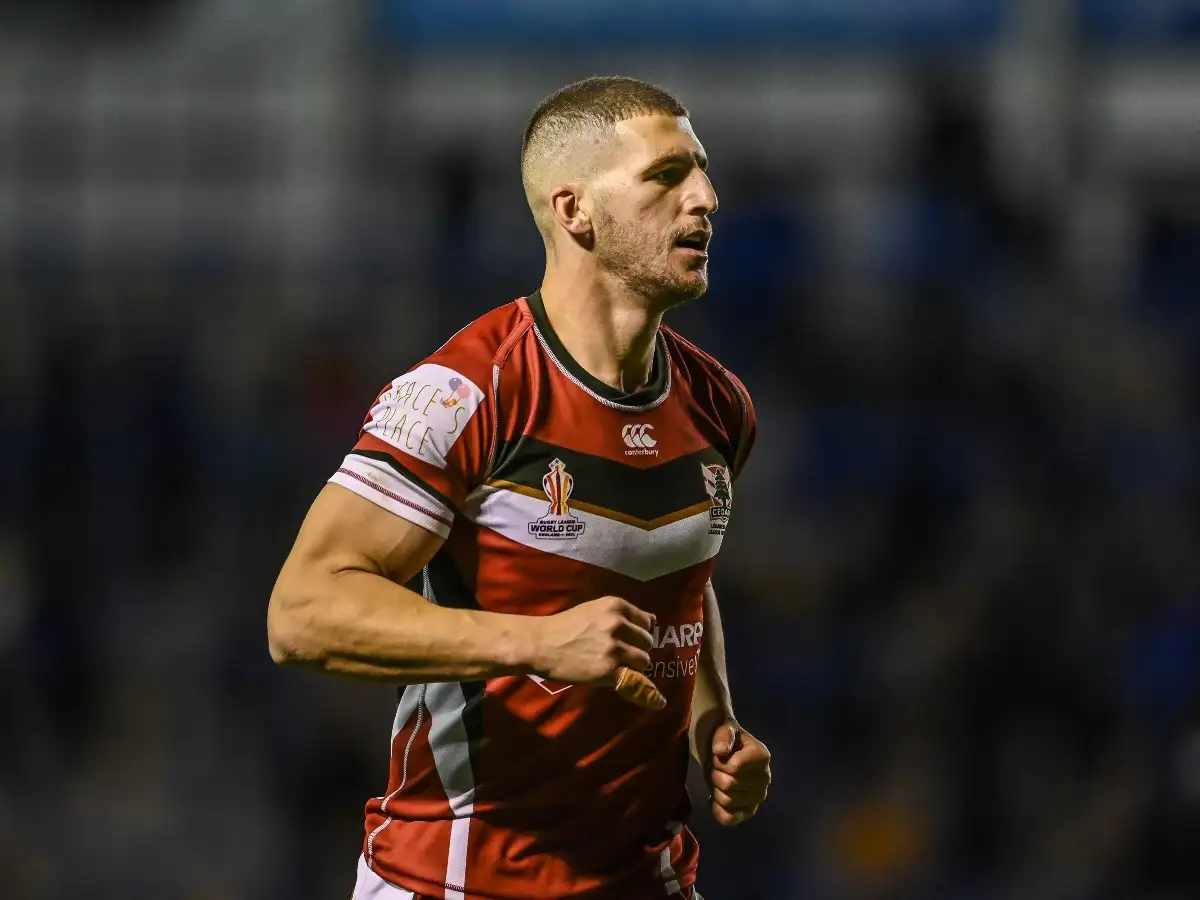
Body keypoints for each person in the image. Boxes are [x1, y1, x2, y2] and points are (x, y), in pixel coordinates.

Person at [268, 76, 772, 900]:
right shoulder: (468, 392)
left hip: (650, 879)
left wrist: (713, 720)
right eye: (666, 175)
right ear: (575, 210)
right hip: (455, 879)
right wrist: (535, 643)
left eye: (703, 172)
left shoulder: (719, 405)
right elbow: (300, 614)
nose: (706, 199)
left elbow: (681, 577)